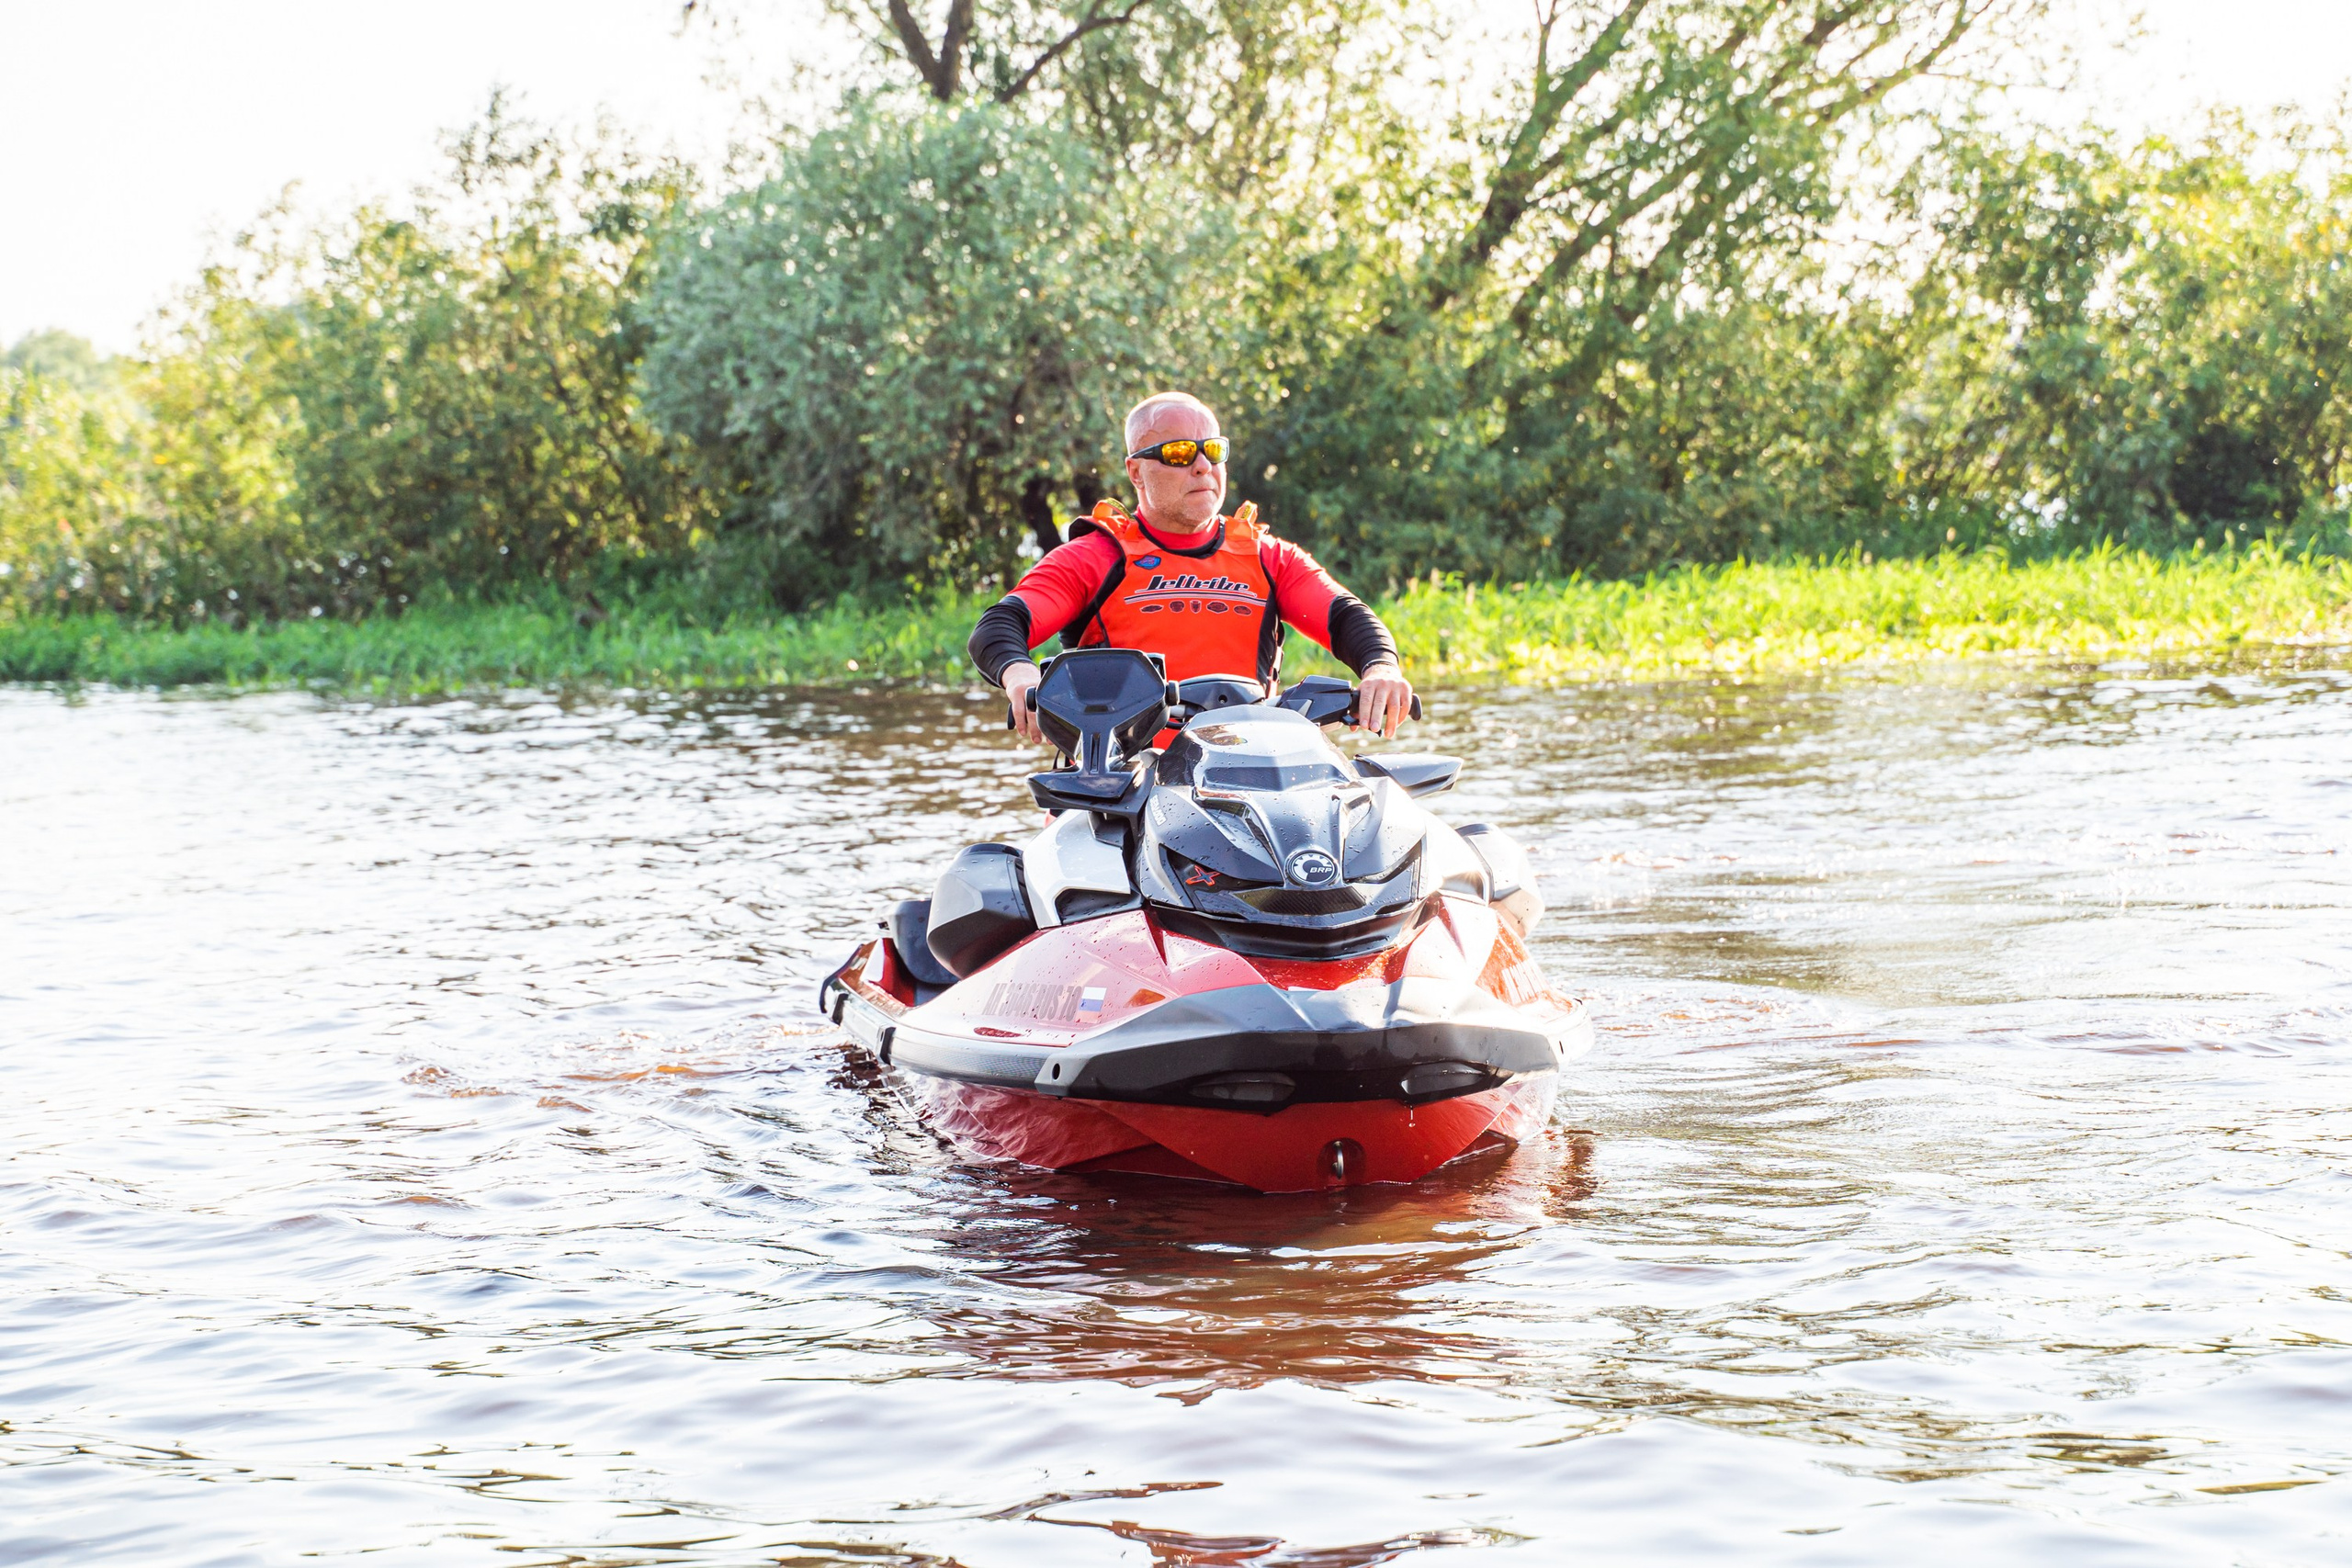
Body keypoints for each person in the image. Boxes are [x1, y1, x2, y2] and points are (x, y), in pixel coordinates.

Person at [967, 390, 1417, 744]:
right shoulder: (1095, 557)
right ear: (1136, 472)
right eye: (1180, 453)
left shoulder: (1268, 556)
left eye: (1212, 451)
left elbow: (1346, 617)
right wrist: (1021, 677)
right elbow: (1000, 626)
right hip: (1125, 787)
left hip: (1246, 774)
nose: (1203, 467)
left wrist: (1381, 670)